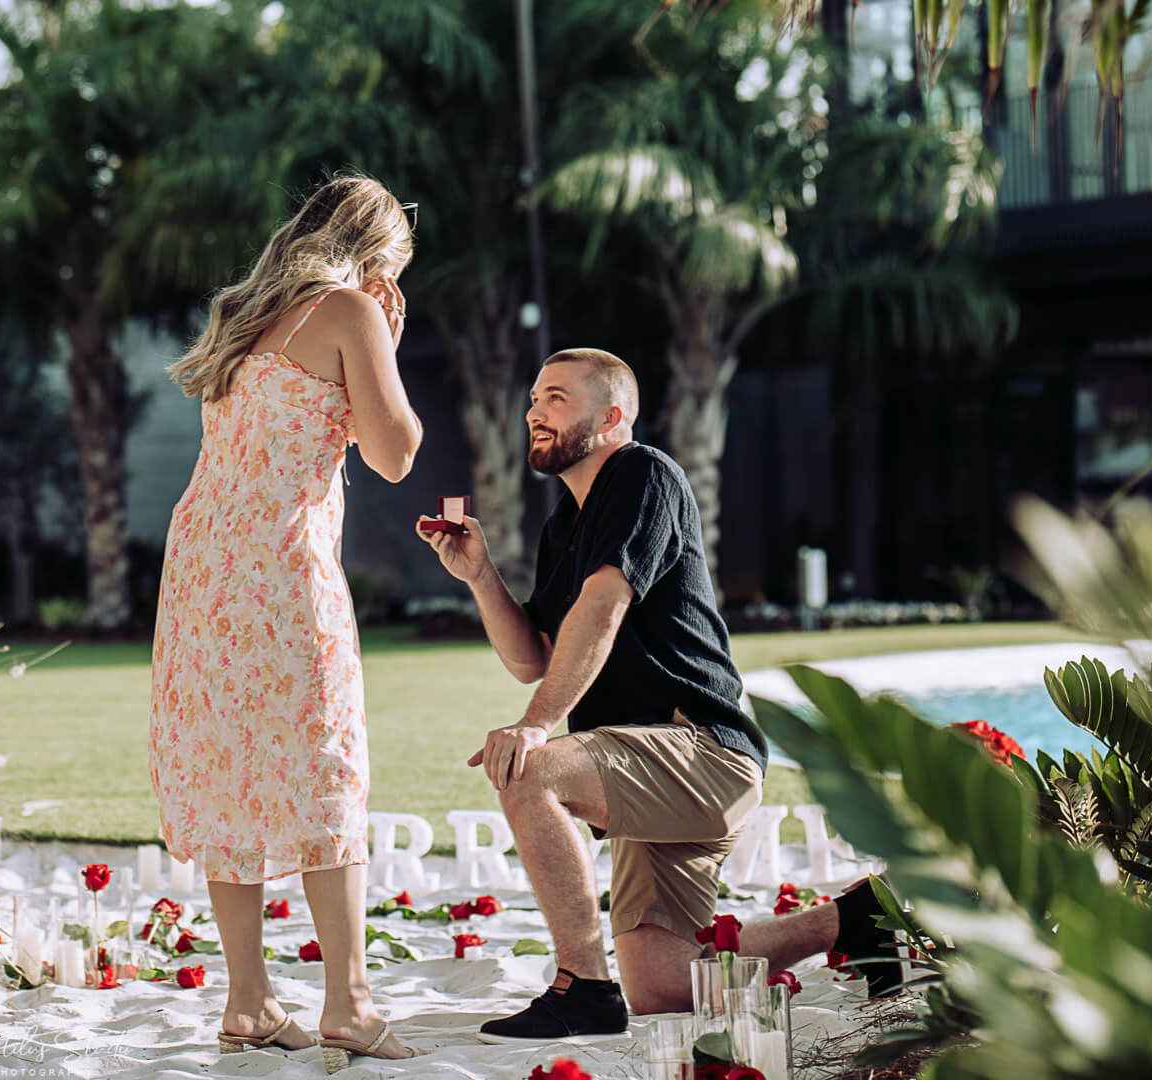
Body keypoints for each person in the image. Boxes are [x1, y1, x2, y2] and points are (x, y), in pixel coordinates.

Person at [417, 348, 901, 1041]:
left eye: (555, 398)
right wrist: (481, 576)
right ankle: (852, 920)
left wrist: (538, 725)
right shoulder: (565, 526)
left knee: (531, 771)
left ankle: (581, 986)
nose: (532, 412)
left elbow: (604, 605)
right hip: (643, 769)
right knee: (662, 986)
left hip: (703, 750)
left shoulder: (643, 474)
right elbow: (534, 658)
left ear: (612, 416)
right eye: (532, 399)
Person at [152, 174, 423, 1067]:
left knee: (228, 763)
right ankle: (347, 1003)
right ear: (377, 253)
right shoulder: (352, 309)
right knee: (324, 763)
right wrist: (389, 328)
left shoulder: (240, 315)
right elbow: (393, 455)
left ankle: (249, 1002)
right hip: (278, 567)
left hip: (201, 570)